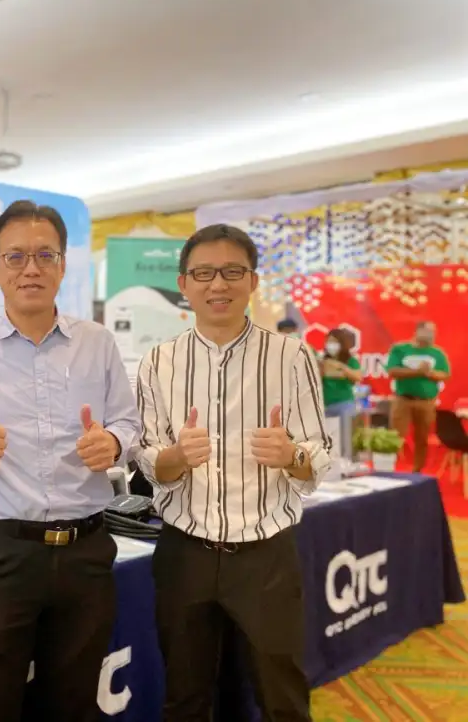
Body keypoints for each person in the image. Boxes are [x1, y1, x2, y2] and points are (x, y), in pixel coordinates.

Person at [0, 200, 138, 722]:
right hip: (3, 555)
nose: (31, 268)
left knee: (74, 702)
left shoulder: (97, 343)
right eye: (15, 257)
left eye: (45, 255)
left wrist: (113, 442)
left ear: (62, 265)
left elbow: (129, 424)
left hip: (86, 551)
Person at [132, 223, 332, 722]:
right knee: (185, 697)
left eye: (231, 272)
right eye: (203, 273)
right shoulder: (158, 361)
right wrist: (177, 457)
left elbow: (318, 455)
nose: (217, 284)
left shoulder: (291, 356)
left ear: (253, 281)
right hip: (184, 553)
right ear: (183, 284)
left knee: (282, 696)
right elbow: (149, 458)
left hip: (265, 556)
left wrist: (291, 455)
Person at [387, 321, 451, 472]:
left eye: (433, 332)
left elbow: (445, 375)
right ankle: (390, 468)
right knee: (395, 436)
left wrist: (429, 373)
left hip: (426, 402)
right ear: (417, 331)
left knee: (422, 438)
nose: (431, 335)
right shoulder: (400, 349)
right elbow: (392, 371)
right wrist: (417, 371)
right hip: (403, 400)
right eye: (428, 331)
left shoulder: (438, 353)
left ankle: (417, 471)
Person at [321, 328, 363, 459]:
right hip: (325, 406)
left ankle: (347, 461)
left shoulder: (350, 360)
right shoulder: (322, 361)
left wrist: (341, 367)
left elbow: (358, 377)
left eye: (334, 342)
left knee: (346, 439)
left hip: (344, 404)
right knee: (327, 440)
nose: (331, 345)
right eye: (329, 341)